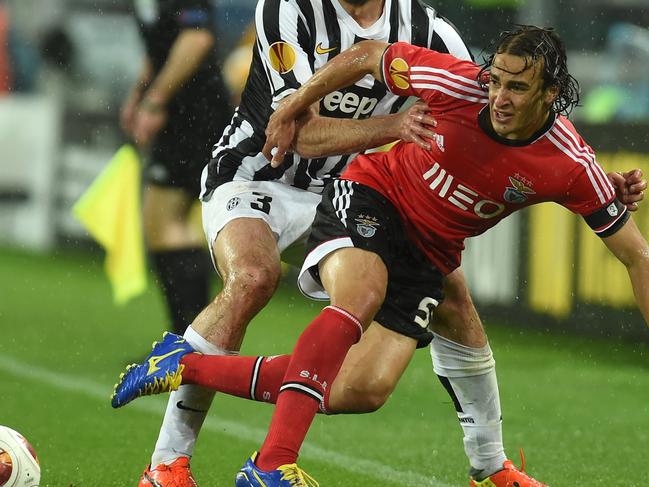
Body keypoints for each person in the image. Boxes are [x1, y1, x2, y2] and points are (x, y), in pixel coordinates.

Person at [112, 22, 647, 487]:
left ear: (551, 92)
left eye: (518, 87)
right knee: (361, 293)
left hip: (428, 253)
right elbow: (368, 55)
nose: (499, 97)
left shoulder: (569, 162)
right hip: (369, 195)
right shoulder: (456, 83)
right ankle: (270, 465)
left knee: (358, 389)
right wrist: (297, 101)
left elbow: (636, 258)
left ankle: (185, 364)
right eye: (497, 81)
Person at [120, 0, 232, 336]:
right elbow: (160, 46)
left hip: (198, 115)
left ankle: (191, 345)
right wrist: (139, 95)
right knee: (159, 224)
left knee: (168, 222)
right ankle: (185, 341)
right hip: (177, 115)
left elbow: (196, 40)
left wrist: (154, 101)